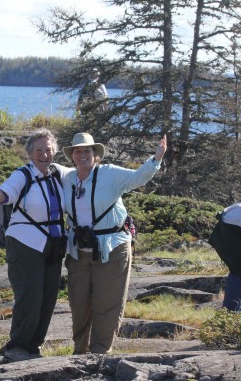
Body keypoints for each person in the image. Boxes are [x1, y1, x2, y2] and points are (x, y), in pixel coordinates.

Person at [60, 132, 167, 354]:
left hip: (112, 248)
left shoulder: (109, 174)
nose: (83, 155)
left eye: (87, 151)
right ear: (72, 156)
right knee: (79, 304)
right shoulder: (67, 179)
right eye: (78, 151)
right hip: (78, 250)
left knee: (107, 304)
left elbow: (138, 178)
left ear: (95, 154)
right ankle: (79, 352)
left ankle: (100, 353)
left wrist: (156, 158)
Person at [0, 128, 67, 362]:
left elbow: (85, 175)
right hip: (25, 242)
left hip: (54, 244)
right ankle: (16, 346)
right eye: (38, 150)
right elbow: (6, 193)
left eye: (48, 149)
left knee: (48, 296)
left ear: (54, 151)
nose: (44, 154)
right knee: (30, 295)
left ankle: (33, 346)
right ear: (30, 153)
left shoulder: (59, 173)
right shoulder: (22, 174)